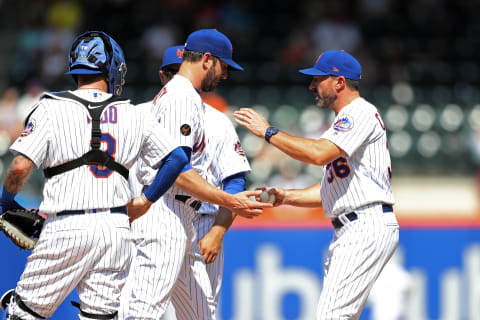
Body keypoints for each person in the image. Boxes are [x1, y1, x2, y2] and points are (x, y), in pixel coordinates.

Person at [0, 31, 189, 320]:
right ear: (112, 68)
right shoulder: (136, 113)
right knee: (100, 317)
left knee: (23, 313)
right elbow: (177, 158)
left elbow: (20, 167)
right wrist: (147, 200)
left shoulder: (50, 107)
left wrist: (5, 203)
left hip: (66, 225)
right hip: (115, 229)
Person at [234, 50, 400, 320]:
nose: (312, 85)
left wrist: (268, 132)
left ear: (339, 82)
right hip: (356, 223)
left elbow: (318, 154)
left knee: (331, 316)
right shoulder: (347, 119)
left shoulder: (358, 112)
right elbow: (329, 191)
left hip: (364, 224)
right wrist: (286, 196)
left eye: (318, 79)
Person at [125, 30, 270, 320]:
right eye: (224, 66)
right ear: (207, 59)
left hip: (182, 216)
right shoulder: (180, 97)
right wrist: (231, 200)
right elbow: (177, 169)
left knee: (201, 314)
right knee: (143, 312)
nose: (225, 74)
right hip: (163, 211)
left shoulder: (183, 97)